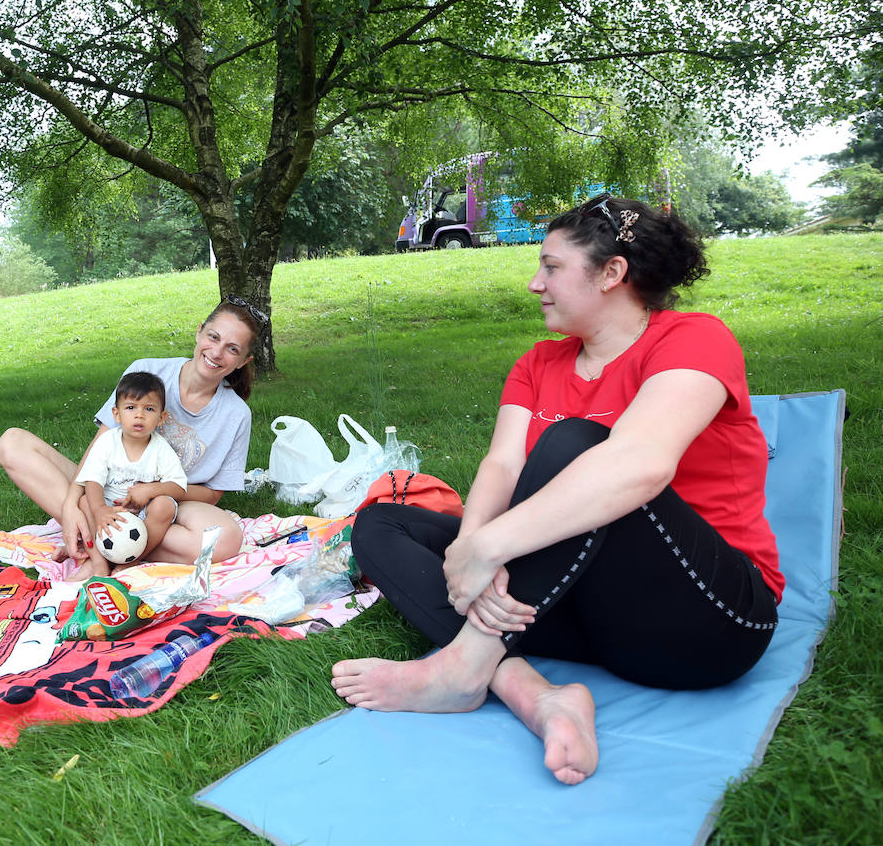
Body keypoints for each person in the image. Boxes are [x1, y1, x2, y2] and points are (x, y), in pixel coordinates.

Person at [331, 195, 782, 786]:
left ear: (611, 273)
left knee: (578, 446)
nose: (532, 282)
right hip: (577, 610)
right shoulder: (539, 363)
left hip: (703, 621)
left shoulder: (693, 340)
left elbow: (640, 464)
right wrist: (471, 549)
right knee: (386, 519)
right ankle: (535, 695)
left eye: (551, 267)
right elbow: (501, 465)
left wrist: (490, 549)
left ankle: (465, 664)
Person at [0, 296, 266, 571]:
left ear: (244, 361)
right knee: (12, 442)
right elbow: (100, 445)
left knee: (227, 539)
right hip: (104, 486)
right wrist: (70, 503)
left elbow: (212, 495)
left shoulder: (237, 414)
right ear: (199, 332)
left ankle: (112, 545)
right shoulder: (147, 370)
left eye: (232, 349)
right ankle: (96, 533)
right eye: (213, 336)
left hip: (167, 503)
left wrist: (152, 491)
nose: (217, 352)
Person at [74, 371, 188, 576]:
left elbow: (179, 487)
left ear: (161, 418)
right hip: (109, 508)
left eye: (149, 409)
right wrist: (100, 509)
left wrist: (150, 490)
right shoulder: (107, 442)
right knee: (84, 502)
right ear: (116, 414)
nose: (139, 415)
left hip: (142, 514)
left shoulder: (161, 449)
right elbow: (93, 480)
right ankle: (99, 562)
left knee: (165, 505)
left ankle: (130, 561)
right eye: (130, 407)